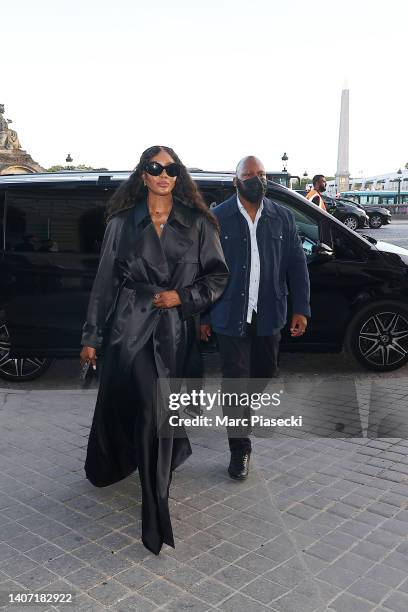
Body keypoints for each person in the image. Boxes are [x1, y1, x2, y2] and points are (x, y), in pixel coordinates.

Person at [79, 146, 228, 555]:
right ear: (142, 174)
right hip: (129, 330)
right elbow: (105, 282)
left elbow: (218, 277)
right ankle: (154, 507)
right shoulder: (122, 223)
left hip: (174, 333)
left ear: (179, 176)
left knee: (162, 413)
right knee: (149, 408)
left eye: (171, 168)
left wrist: (183, 297)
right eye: (154, 168)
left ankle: (156, 483)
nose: (163, 174)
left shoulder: (199, 223)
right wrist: (91, 336)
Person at [200, 156, 310, 480]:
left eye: (260, 174)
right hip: (229, 312)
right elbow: (204, 271)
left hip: (269, 312)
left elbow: (297, 265)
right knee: (235, 381)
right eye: (249, 174)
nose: (256, 179)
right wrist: (204, 314)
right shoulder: (217, 219)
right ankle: (239, 448)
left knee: (264, 371)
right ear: (236, 181)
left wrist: (301, 308)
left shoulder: (282, 217)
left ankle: (239, 411)